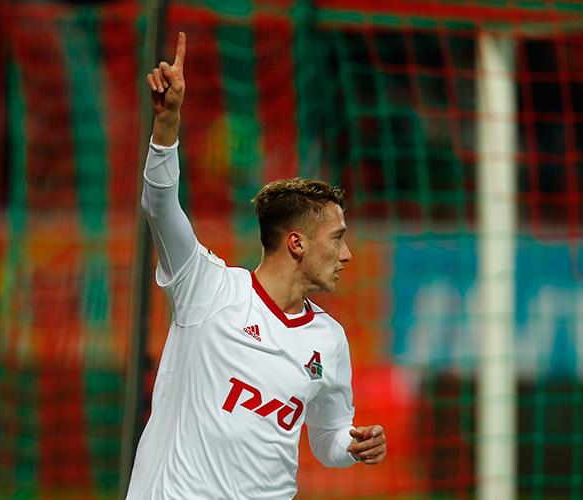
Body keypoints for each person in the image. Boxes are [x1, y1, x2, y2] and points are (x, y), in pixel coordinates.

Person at [126, 32, 387, 500]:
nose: (347, 254)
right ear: (296, 243)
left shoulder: (329, 340)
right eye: (337, 239)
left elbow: (328, 437)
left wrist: (354, 444)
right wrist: (167, 125)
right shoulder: (207, 288)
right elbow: (161, 206)